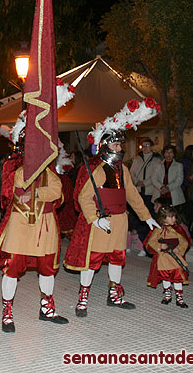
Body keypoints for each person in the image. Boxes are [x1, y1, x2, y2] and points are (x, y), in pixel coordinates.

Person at [0, 81, 76, 332]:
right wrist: (34, 191)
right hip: (21, 224)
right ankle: (7, 312)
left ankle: (47, 308)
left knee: (47, 268)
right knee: (12, 268)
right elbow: (13, 192)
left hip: (45, 224)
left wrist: (36, 193)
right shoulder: (13, 166)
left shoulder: (48, 168)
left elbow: (58, 192)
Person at [64, 98, 161, 316]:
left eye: (120, 145)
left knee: (117, 259)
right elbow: (83, 197)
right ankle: (83, 298)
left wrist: (146, 217)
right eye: (116, 145)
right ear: (106, 145)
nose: (120, 148)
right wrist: (94, 218)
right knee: (93, 262)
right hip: (102, 221)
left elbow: (133, 196)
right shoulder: (96, 169)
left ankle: (114, 294)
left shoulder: (122, 170)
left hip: (120, 221)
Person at [145, 205, 189, 308]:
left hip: (175, 258)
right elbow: (150, 242)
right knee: (166, 277)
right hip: (163, 258)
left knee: (177, 278)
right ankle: (167, 294)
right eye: (171, 217)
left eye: (174, 217)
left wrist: (180, 249)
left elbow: (184, 241)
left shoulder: (177, 229)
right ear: (163, 218)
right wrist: (159, 246)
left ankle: (179, 297)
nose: (174, 219)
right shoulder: (157, 230)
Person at [129, 138, 162, 250]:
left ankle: (148, 244)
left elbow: (155, 175)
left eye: (147, 145)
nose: (145, 148)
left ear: (151, 146)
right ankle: (140, 242)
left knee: (148, 215)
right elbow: (132, 172)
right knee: (137, 217)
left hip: (149, 191)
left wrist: (145, 183)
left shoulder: (156, 160)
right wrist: (136, 181)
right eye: (143, 146)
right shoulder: (137, 159)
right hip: (138, 190)